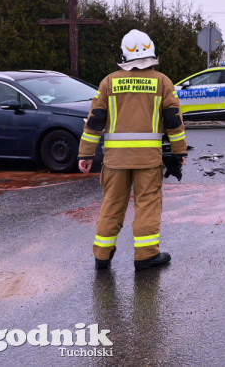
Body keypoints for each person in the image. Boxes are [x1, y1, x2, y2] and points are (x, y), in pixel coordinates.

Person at [77, 29, 186, 272]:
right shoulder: (162, 82)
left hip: (115, 160)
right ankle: (146, 256)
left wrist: (85, 154)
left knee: (112, 205)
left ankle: (102, 256)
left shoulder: (109, 82)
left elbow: (95, 120)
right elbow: (174, 121)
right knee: (147, 204)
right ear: (152, 52)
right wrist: (179, 152)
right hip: (148, 159)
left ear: (125, 54)